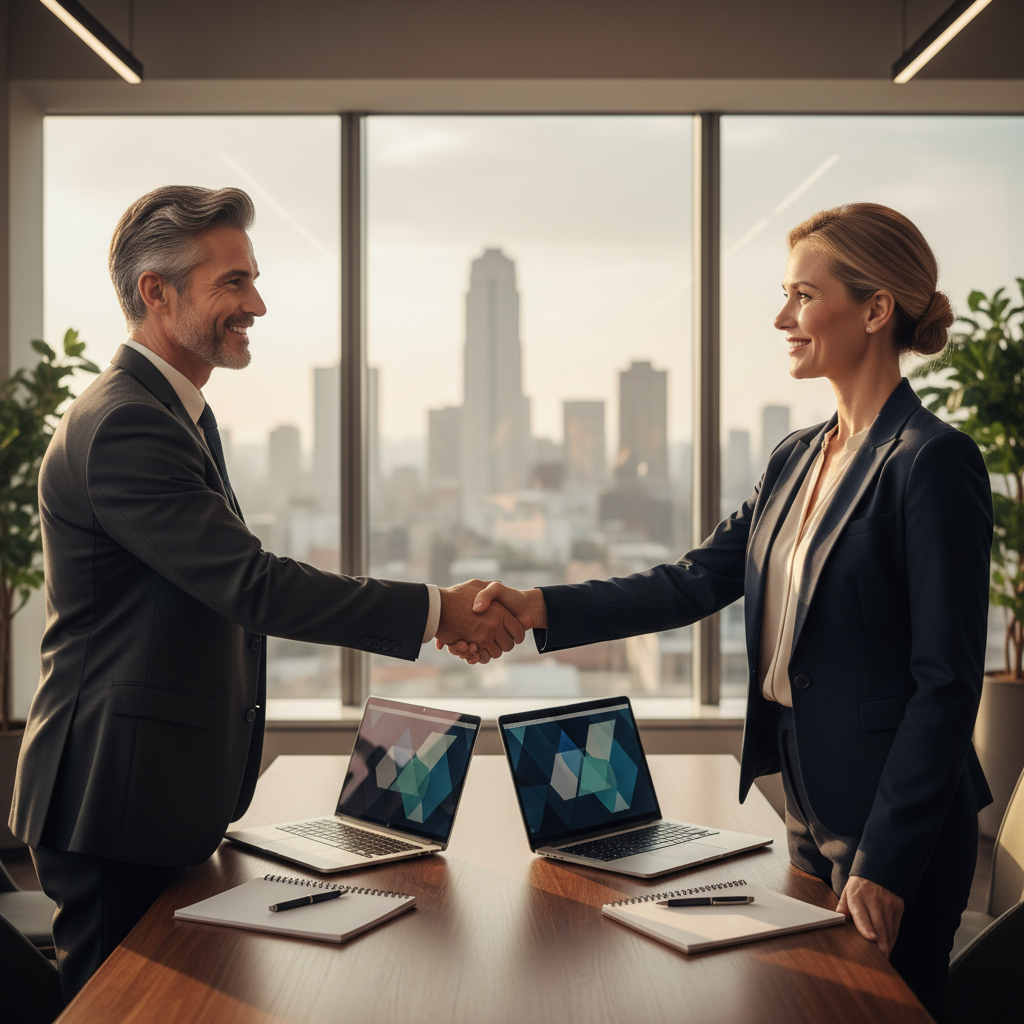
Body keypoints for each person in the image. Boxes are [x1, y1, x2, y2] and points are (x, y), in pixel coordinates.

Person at [454, 203, 993, 1020]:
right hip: (812, 806)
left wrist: (885, 859)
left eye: (803, 297)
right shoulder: (796, 456)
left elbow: (946, 684)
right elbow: (692, 581)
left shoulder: (931, 463)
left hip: (898, 828)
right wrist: (536, 608)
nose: (782, 318)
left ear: (876, 309)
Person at [9, 185, 525, 1001]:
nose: (257, 302)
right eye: (232, 283)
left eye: (252, 278)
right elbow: (250, 584)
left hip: (151, 790)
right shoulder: (126, 424)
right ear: (156, 291)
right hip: (113, 800)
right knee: (124, 1014)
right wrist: (438, 611)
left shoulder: (171, 411)